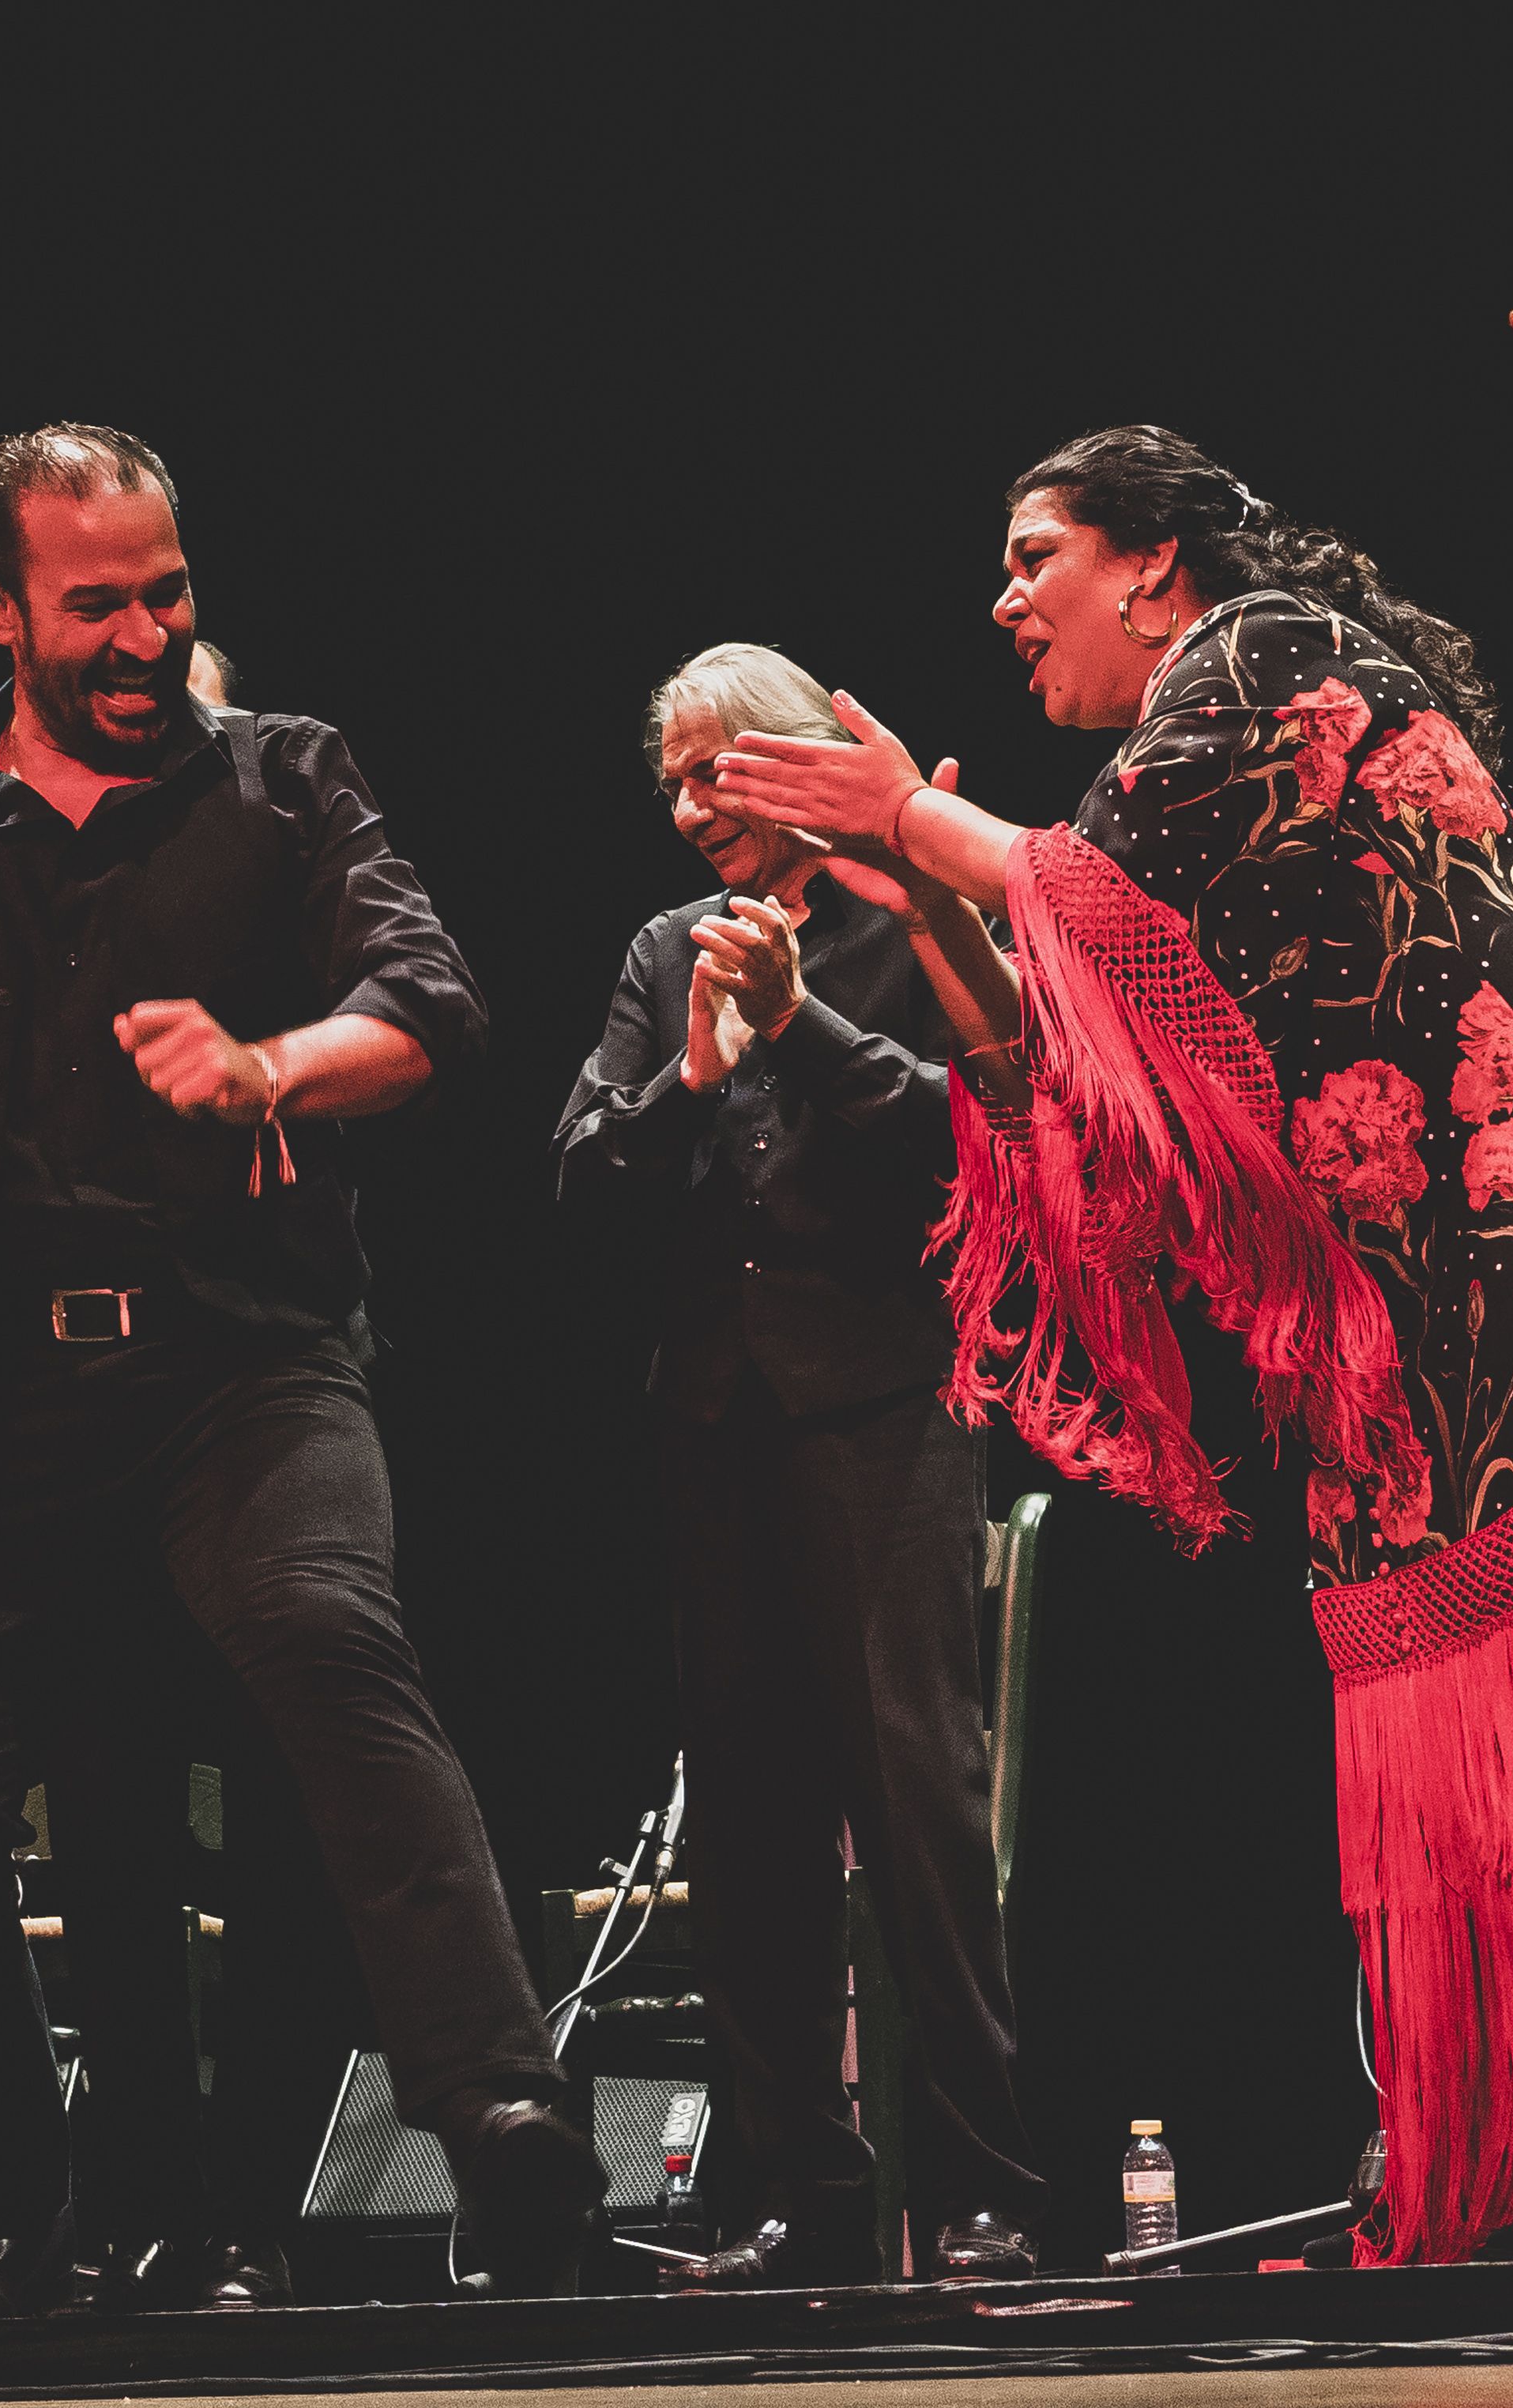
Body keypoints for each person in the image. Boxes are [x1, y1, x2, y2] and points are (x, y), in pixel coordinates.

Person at [706, 427, 1513, 2266]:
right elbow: (1073, 1056)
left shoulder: (1259, 650)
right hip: (1430, 1238)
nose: (1006, 594)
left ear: (1152, 564)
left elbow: (1077, 889)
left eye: (1035, 551)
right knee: (1464, 1662)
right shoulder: (1183, 763)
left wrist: (908, 816)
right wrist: (929, 886)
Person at [0, 423, 603, 2310]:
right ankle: (34, 2201)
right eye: (98, 603)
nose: (146, 632)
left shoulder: (284, 777)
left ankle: (502, 2122)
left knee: (333, 1642)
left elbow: (430, 1005)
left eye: (168, 591)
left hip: (248, 1364)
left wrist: (269, 1069)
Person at [554, 644, 1044, 2286]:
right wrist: (695, 1062)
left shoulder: (918, 912)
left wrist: (799, 1018)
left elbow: (976, 1127)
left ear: (791, 761)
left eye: (719, 773)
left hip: (884, 1410)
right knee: (749, 1822)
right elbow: (582, 1175)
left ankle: (978, 2182)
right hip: (714, 1425)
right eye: (673, 784)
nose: (693, 808)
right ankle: (794, 2192)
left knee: (917, 1802)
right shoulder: (655, 950)